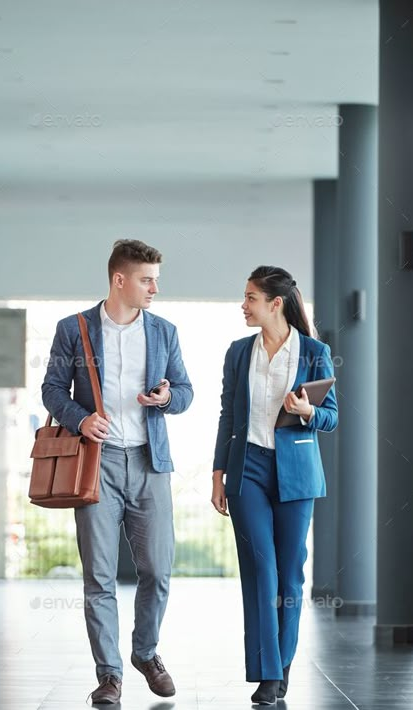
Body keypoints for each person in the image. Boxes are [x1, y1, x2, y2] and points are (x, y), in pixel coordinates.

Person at [42, 239, 193, 705]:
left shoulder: (164, 332)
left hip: (150, 463)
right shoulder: (75, 329)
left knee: (158, 570)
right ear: (119, 279)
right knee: (99, 577)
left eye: (156, 280)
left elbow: (186, 392)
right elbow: (51, 390)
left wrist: (166, 399)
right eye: (147, 280)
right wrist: (80, 418)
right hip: (96, 463)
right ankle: (109, 675)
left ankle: (145, 652)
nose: (155, 289)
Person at [211, 265, 338, 706]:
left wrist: (306, 411)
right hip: (247, 469)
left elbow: (331, 416)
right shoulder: (237, 352)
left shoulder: (315, 352)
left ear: (274, 303)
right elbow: (228, 416)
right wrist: (218, 474)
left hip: (296, 471)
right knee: (260, 570)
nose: (243, 305)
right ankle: (267, 674)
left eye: (249, 298)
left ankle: (282, 667)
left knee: (290, 575)